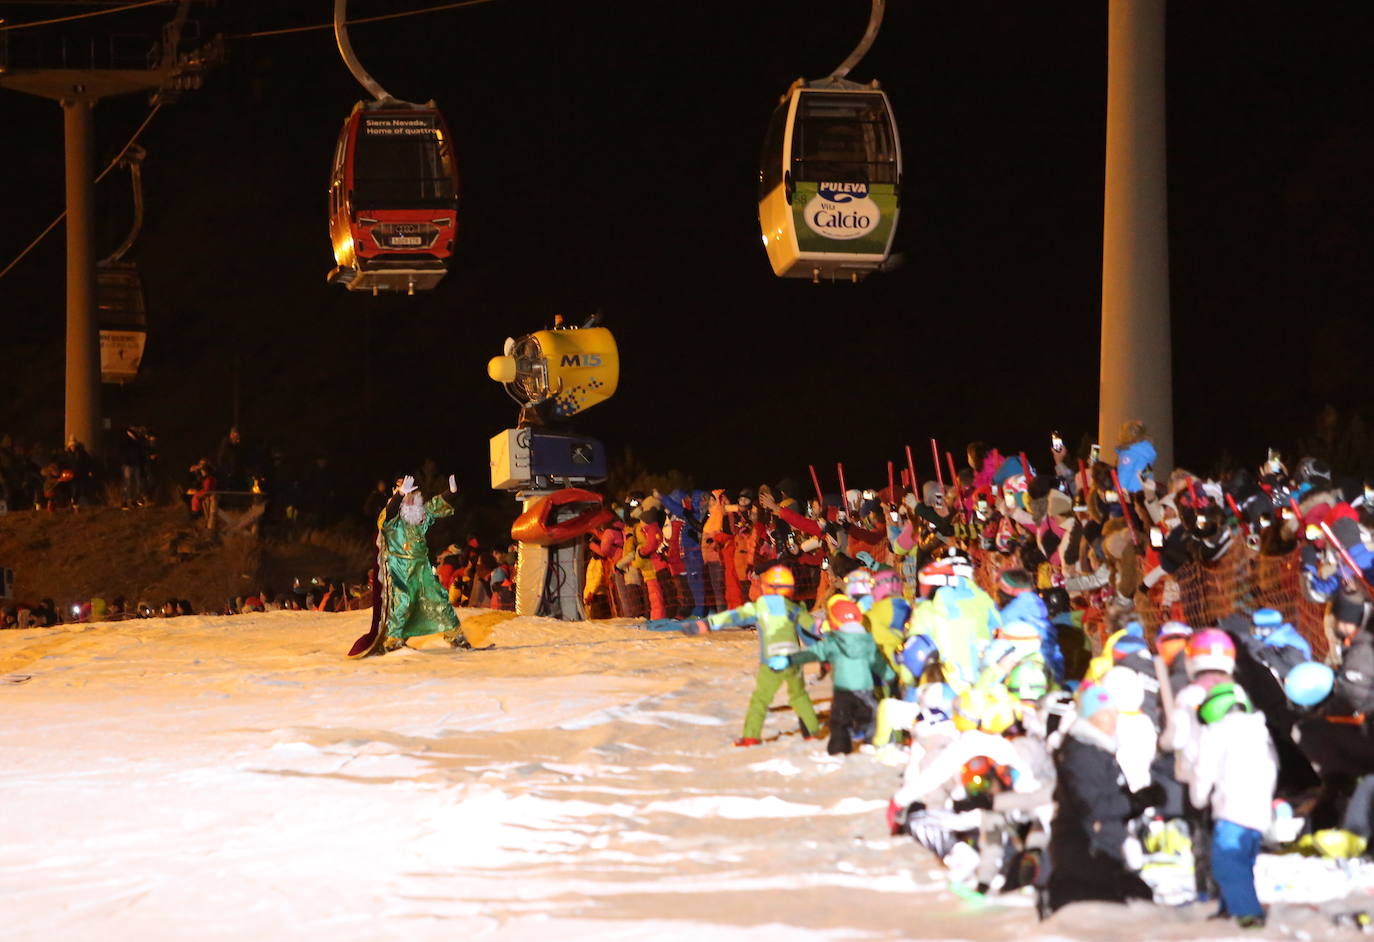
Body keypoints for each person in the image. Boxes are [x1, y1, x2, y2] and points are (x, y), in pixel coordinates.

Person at [681, 563, 821, 746]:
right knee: (799, 696)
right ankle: (812, 732)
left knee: (760, 699)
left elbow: (734, 616)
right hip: (793, 660)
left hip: (771, 661)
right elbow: (813, 626)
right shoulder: (793, 608)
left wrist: (707, 624)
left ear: (767, 586)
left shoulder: (761, 606)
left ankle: (751, 736)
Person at [1188, 682, 1276, 927]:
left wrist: (1199, 797)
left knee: (1227, 862)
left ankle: (1248, 912)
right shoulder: (1259, 730)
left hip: (1232, 808)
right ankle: (1229, 905)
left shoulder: (1217, 732)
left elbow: (1204, 770)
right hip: (1258, 811)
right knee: (1243, 861)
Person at [768, 596, 891, 755]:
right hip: (865, 688)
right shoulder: (868, 641)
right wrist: (890, 677)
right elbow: (879, 663)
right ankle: (872, 740)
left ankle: (839, 748)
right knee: (870, 714)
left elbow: (813, 652)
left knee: (840, 720)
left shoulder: (833, 642)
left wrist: (789, 660)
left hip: (843, 690)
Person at [364, 474, 468, 654]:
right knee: (403, 601)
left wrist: (450, 492)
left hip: (421, 567)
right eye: (404, 491)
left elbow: (436, 505)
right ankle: (394, 640)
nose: (408, 496)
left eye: (411, 492)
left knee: (438, 599)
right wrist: (399, 495)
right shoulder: (392, 515)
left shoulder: (421, 514)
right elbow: (387, 516)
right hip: (400, 567)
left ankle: (455, 636)